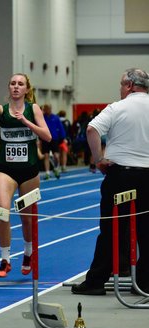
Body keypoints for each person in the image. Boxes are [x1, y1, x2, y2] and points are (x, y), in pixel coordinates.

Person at [72, 68, 149, 295]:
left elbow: (92, 129)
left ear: (128, 86)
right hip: (148, 175)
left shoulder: (117, 107)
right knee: (147, 230)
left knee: (111, 229)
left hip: (120, 175)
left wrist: (98, 160)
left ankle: (97, 281)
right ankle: (145, 283)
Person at [0, 73, 52, 278]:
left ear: (27, 89)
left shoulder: (33, 109)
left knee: (27, 218)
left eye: (20, 84)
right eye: (13, 83)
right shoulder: (2, 109)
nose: (16, 87)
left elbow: (47, 136)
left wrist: (26, 122)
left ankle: (28, 252)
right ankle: (5, 259)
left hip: (29, 171)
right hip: (6, 170)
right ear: (9, 87)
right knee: (2, 211)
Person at [41, 104, 66, 180]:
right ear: (44, 109)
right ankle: (47, 173)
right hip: (45, 139)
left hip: (54, 139)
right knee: (46, 156)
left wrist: (63, 137)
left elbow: (61, 128)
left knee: (56, 156)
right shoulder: (42, 118)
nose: (48, 110)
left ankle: (56, 168)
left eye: (49, 108)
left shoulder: (55, 118)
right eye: (46, 109)